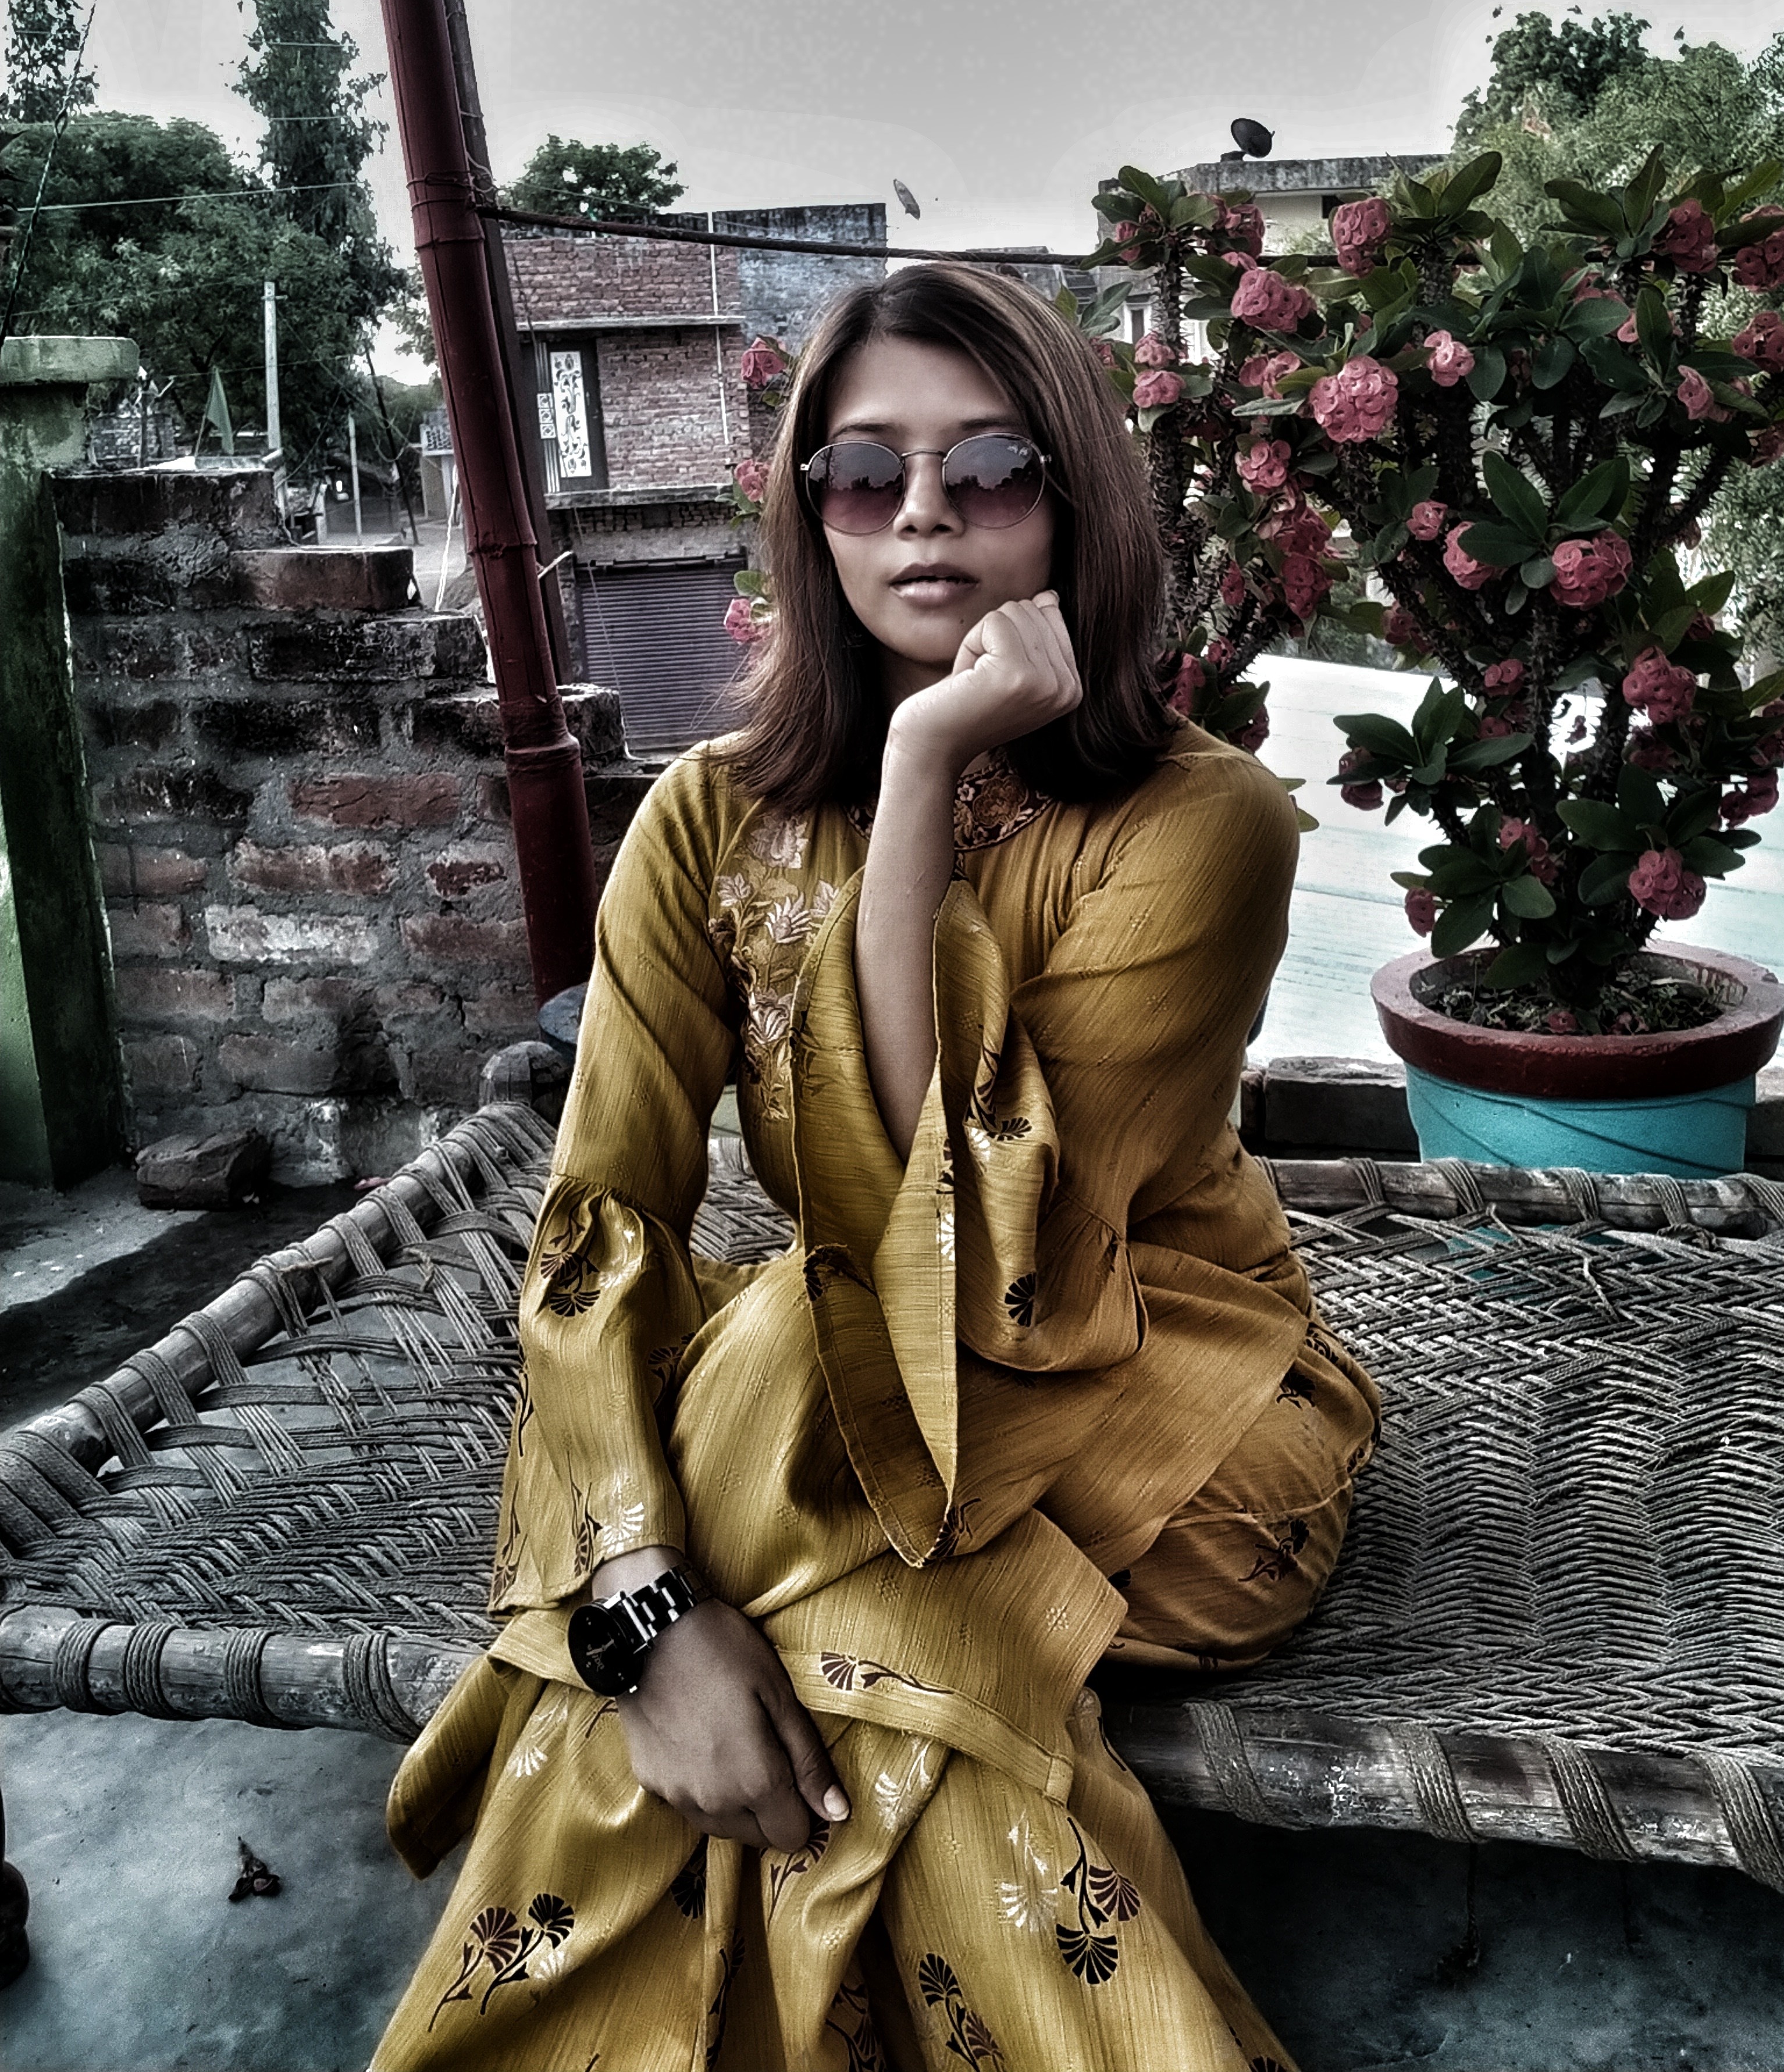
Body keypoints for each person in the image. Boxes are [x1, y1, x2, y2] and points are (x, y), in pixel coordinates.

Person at [372, 262, 1379, 2071]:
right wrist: (650, 1614)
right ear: (810, 510)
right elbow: (601, 1219)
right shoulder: (706, 820)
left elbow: (987, 1253)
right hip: (854, 1430)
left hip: (1170, 1423)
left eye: (987, 468)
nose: (923, 513)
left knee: (770, 1351)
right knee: (818, 1502)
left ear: (1071, 500)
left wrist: (920, 776)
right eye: (863, 473)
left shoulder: (1204, 825)